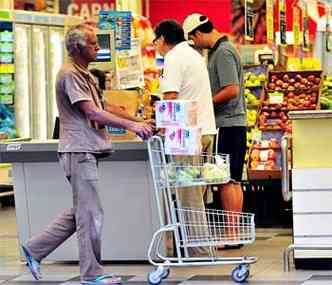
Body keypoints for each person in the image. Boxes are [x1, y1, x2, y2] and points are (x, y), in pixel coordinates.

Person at [21, 23, 153, 285]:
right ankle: (91, 274)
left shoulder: (85, 74)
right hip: (78, 149)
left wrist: (141, 118)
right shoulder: (69, 74)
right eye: (94, 44)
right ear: (78, 47)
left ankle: (34, 249)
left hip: (87, 149)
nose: (99, 48)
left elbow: (105, 105)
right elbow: (92, 112)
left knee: (84, 211)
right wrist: (133, 127)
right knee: (90, 214)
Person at [153, 19, 217, 255]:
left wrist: (160, 126)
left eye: (155, 41)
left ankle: (198, 249)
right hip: (205, 129)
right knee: (195, 192)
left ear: (162, 39)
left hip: (186, 134)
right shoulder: (193, 54)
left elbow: (170, 96)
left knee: (187, 194)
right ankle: (196, 246)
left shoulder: (173, 58)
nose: (156, 46)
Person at [183, 14, 247, 240]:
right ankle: (234, 233)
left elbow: (232, 89)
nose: (194, 45)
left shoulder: (223, 53)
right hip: (232, 124)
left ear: (198, 34)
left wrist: (203, 104)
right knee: (232, 180)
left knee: (226, 180)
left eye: (192, 40)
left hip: (227, 124)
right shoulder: (221, 51)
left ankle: (231, 234)